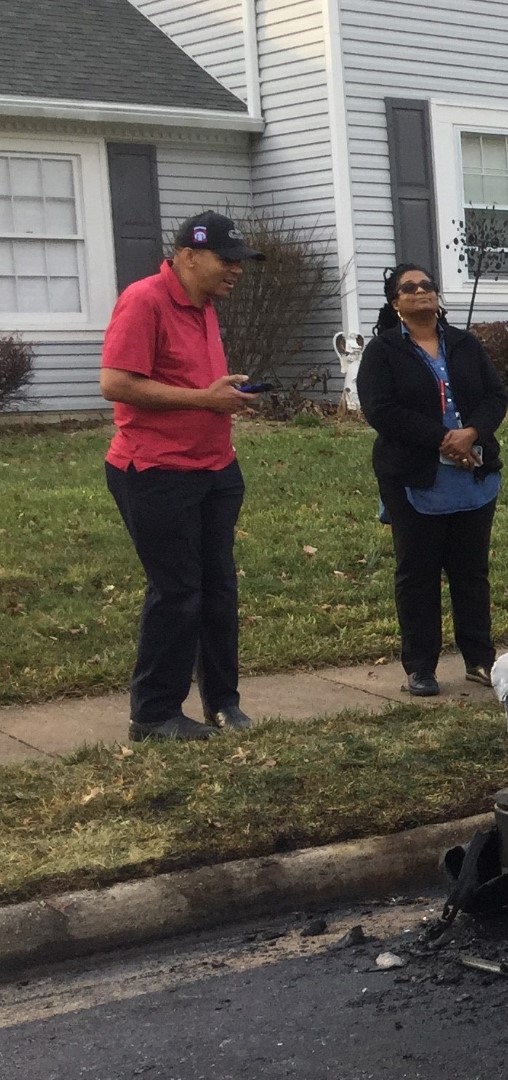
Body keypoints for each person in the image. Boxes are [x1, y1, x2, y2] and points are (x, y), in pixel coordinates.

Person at [99, 211, 265, 742]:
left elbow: (195, 382)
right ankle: (153, 714)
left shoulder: (206, 305)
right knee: (177, 591)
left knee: (218, 588)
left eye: (240, 261)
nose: (236, 270)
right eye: (227, 259)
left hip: (215, 467)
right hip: (154, 470)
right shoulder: (144, 299)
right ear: (188, 255)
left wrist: (228, 399)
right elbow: (116, 382)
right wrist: (203, 399)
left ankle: (223, 702)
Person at [356, 264, 507, 696]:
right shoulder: (383, 352)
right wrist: (443, 439)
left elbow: (496, 396)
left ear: (437, 297)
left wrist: (472, 433)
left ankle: (480, 660)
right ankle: (420, 668)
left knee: (471, 574)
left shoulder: (464, 344)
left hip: (472, 477)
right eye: (409, 288)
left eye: (427, 286)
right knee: (417, 575)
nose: (420, 291)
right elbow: (381, 411)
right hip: (415, 477)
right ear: (395, 303)